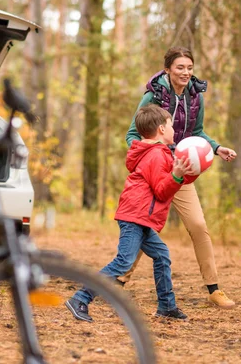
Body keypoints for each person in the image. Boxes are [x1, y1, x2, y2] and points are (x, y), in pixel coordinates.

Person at [122, 46, 236, 309]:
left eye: (189, 68)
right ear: (168, 70)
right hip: (155, 170)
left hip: (182, 171)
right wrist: (149, 157)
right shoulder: (153, 94)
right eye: (180, 67)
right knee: (143, 227)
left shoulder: (196, 96)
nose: (186, 72)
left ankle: (214, 289)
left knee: (198, 226)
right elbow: (132, 134)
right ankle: (118, 281)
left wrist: (217, 149)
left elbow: (198, 133)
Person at [66, 104, 193, 322]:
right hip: (135, 217)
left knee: (161, 256)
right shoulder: (155, 155)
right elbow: (163, 191)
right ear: (162, 129)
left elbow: (175, 178)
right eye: (171, 125)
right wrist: (177, 176)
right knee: (124, 262)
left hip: (141, 218)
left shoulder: (157, 153)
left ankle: (167, 306)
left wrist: (189, 171)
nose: (174, 130)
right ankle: (81, 298)